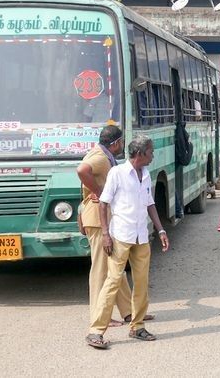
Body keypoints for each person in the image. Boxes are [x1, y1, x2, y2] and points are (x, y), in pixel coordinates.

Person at [85, 137, 170, 349]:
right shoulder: (117, 173)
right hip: (121, 236)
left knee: (141, 282)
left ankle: (137, 326)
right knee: (113, 281)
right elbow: (103, 204)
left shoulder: (147, 174)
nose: (153, 156)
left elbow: (150, 204)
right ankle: (96, 331)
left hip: (141, 236)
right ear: (140, 154)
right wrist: (105, 234)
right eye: (150, 152)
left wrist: (160, 229)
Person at [77, 126, 154, 327]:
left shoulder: (104, 155)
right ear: (116, 143)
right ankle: (99, 315)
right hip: (96, 218)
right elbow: (82, 170)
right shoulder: (101, 158)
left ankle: (129, 312)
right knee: (101, 271)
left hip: (104, 217)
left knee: (115, 269)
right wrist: (100, 192)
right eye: (121, 142)